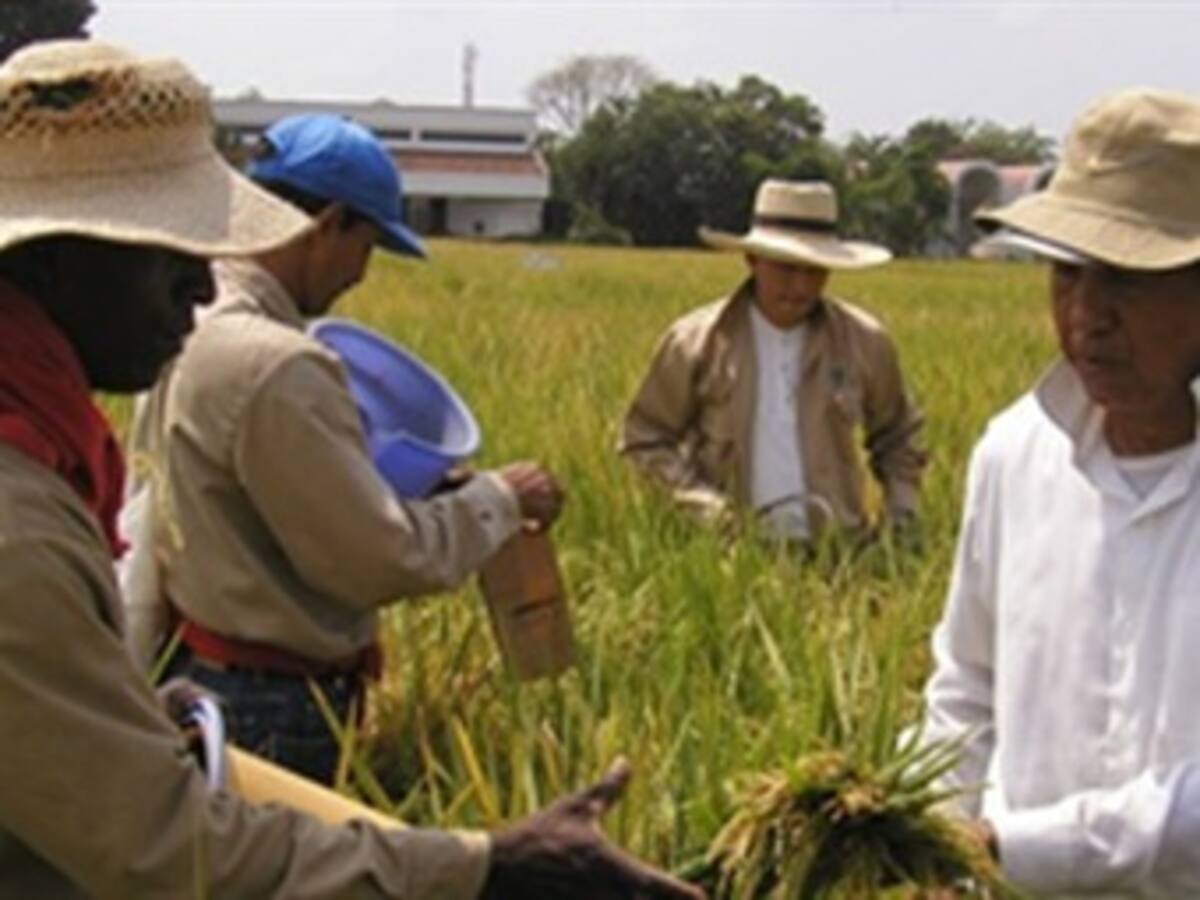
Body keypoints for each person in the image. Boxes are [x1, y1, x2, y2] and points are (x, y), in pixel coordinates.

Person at [0, 38, 701, 899]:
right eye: (171, 253)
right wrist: (493, 866)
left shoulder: (62, 426)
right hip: (270, 696)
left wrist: (134, 717)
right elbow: (170, 851)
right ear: (50, 259)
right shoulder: (23, 532)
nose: (201, 286)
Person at [124, 111, 564, 783]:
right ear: (328, 224)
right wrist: (500, 499)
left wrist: (412, 490)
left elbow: (249, 496)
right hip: (269, 705)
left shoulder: (189, 316)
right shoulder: (278, 364)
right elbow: (378, 559)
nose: (361, 273)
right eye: (368, 245)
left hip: (193, 666)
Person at [921, 87, 1200, 897]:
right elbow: (965, 686)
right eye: (1066, 273)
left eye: (1126, 279)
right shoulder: (1014, 454)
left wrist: (1011, 846)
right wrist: (935, 833)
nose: (1087, 314)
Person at [618, 179, 926, 543]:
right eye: (785, 268)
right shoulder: (695, 342)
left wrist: (901, 515)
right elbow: (645, 439)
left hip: (838, 551)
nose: (800, 286)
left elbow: (898, 436)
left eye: (814, 270)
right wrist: (704, 508)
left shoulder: (865, 342)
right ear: (752, 260)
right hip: (729, 554)